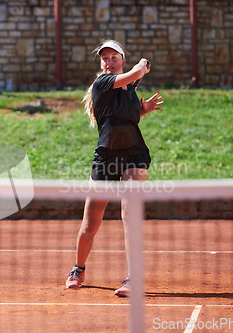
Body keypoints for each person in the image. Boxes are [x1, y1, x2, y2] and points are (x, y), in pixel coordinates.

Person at [65, 40, 164, 296]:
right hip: (106, 158)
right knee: (90, 223)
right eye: (104, 58)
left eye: (113, 57)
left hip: (134, 156)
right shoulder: (102, 83)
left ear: (121, 59)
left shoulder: (128, 89)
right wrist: (142, 65)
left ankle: (133, 277)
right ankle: (78, 269)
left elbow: (121, 117)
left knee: (129, 216)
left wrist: (142, 110)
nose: (108, 61)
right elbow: (136, 73)